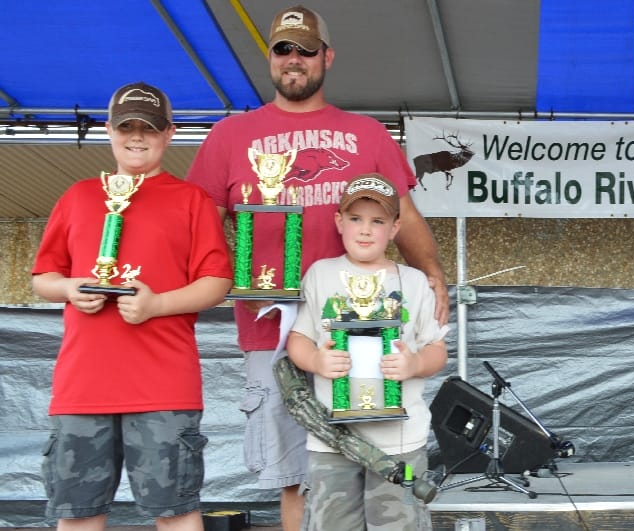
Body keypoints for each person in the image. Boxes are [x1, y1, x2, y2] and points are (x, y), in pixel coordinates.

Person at [185, 5, 449, 530]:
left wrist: (434, 270)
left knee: (376, 461)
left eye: (306, 49)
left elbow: (407, 215)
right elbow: (198, 226)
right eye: (284, 48)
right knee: (300, 476)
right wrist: (203, 287)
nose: (294, 59)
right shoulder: (229, 136)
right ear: (270, 58)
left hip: (361, 326)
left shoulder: (367, 134)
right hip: (271, 332)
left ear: (326, 57)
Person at [31, 81, 233, 530]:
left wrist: (157, 304)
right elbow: (43, 277)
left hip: (164, 384)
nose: (137, 135)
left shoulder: (192, 200)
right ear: (108, 131)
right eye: (127, 127)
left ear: (169, 133)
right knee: (78, 515)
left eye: (149, 126)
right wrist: (69, 289)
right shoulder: (78, 196)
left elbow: (217, 282)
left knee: (176, 513)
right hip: (82, 387)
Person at [287, 173, 448, 529]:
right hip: (332, 440)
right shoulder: (320, 274)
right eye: (356, 219)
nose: (365, 230)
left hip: (399, 441)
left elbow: (438, 350)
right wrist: (316, 359)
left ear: (394, 229)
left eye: (378, 221)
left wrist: (415, 363)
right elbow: (298, 339)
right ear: (339, 222)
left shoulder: (415, 281)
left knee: (398, 523)